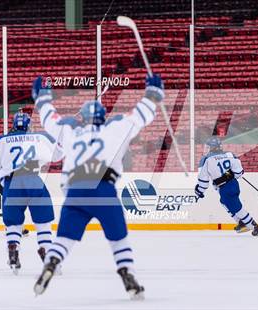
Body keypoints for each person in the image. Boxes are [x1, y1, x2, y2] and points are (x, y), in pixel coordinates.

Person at [32, 74, 164, 300]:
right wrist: (153, 93)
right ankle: (127, 273)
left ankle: (52, 262)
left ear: (82, 118)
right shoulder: (116, 127)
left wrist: (42, 98)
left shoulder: (69, 130)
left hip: (75, 191)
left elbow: (48, 118)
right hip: (103, 188)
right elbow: (142, 114)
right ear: (103, 117)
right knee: (118, 237)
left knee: (65, 237)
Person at [0, 109, 63, 274]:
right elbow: (57, 156)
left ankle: (13, 251)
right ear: (29, 125)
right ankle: (46, 250)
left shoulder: (2, 141)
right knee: (43, 220)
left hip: (12, 182)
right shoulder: (40, 137)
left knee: (13, 222)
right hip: (33, 179)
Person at [195, 137, 258, 237]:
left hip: (225, 188)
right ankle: (241, 222)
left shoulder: (206, 159)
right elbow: (239, 173)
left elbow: (203, 179)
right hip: (234, 184)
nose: (207, 149)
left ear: (212, 148)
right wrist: (228, 175)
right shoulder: (229, 155)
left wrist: (199, 190)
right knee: (224, 202)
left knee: (237, 208)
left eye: (208, 147)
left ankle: (256, 227)